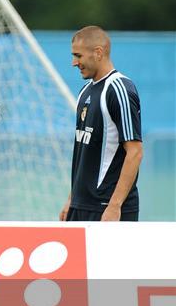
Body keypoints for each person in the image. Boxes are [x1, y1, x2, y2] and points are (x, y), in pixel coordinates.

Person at [60, 25, 143, 222]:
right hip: (81, 205)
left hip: (107, 208)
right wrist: (72, 199)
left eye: (78, 55)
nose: (74, 62)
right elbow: (85, 152)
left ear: (98, 52)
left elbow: (135, 152)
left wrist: (115, 206)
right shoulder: (85, 91)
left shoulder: (119, 89)